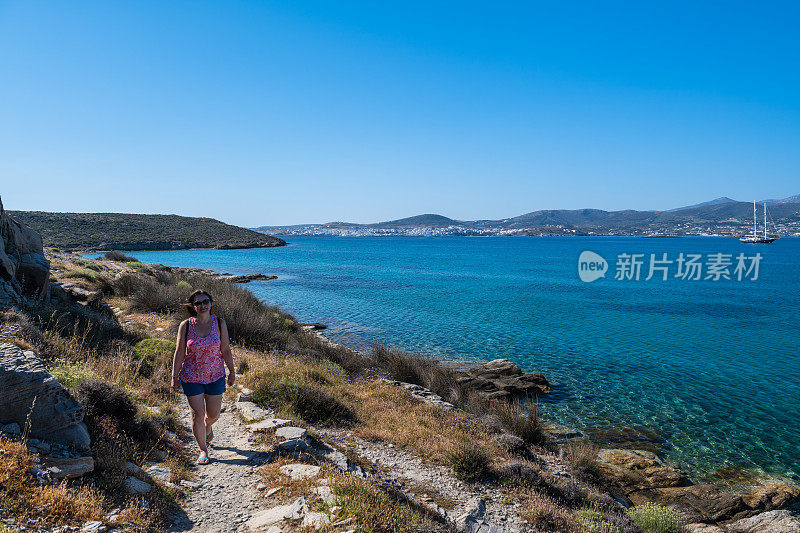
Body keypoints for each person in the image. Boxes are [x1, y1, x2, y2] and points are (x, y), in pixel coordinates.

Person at [171, 290, 236, 464]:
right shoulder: (186, 325)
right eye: (198, 303)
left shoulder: (220, 323)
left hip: (215, 375)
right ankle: (203, 450)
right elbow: (179, 352)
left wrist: (232, 371)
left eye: (205, 301)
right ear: (193, 306)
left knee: (213, 415)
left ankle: (208, 427)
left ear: (211, 303)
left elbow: (226, 350)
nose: (202, 305)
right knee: (197, 414)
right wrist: (174, 376)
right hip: (191, 376)